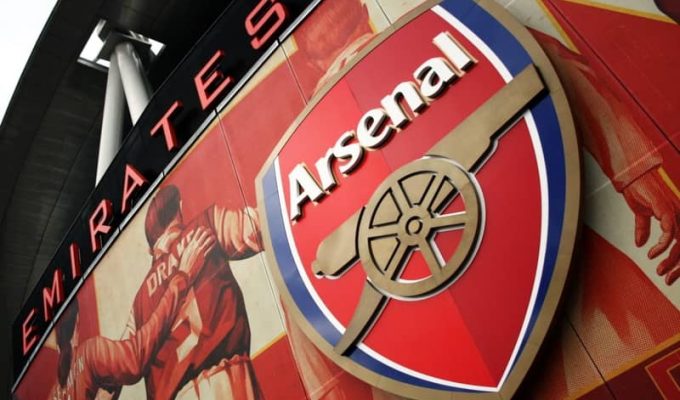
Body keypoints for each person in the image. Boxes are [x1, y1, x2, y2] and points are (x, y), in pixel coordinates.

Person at [124, 184, 263, 400]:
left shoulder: (138, 303)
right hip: (226, 380)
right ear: (180, 208)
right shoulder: (206, 225)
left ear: (151, 248)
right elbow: (258, 227)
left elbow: (122, 364)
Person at [48, 228, 215, 400]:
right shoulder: (90, 354)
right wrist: (182, 276)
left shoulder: (54, 394)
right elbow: (136, 357)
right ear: (77, 322)